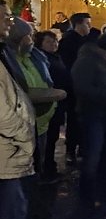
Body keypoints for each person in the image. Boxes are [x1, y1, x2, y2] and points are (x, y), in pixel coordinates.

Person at [0, 0, 38, 219]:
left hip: (10, 151)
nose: (8, 23)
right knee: (10, 213)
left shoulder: (5, 52)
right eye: (4, 18)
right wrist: (23, 133)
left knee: (14, 211)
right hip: (6, 149)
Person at [71, 32, 106, 210]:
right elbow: (82, 89)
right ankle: (86, 196)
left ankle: (105, 192)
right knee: (93, 156)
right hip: (91, 114)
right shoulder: (86, 61)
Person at [3, 18, 62, 180]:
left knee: (38, 162)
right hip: (22, 126)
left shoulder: (35, 56)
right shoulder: (9, 61)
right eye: (29, 36)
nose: (32, 39)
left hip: (41, 122)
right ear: (19, 39)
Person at [58, 12, 98, 166]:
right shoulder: (68, 41)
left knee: (86, 119)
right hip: (73, 86)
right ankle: (70, 149)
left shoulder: (90, 40)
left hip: (88, 86)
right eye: (87, 23)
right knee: (74, 119)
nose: (89, 26)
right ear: (78, 24)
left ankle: (83, 147)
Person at [35, 30, 71, 183]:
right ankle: (46, 170)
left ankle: (50, 167)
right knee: (48, 138)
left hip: (58, 102)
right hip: (50, 103)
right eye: (49, 42)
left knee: (53, 136)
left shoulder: (56, 57)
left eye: (55, 41)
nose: (54, 44)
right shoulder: (41, 60)